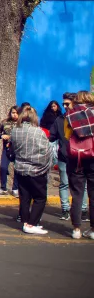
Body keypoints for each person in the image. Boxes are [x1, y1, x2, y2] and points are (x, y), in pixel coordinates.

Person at [10, 107, 53, 235]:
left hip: (21, 168)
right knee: (40, 198)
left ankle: (25, 222)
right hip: (36, 169)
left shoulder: (15, 131)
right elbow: (47, 151)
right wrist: (45, 166)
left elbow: (13, 149)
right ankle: (32, 223)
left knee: (24, 197)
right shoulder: (38, 132)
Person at [49, 92, 88, 222]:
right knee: (64, 183)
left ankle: (83, 210)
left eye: (67, 103)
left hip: (81, 157)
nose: (65, 106)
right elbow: (52, 136)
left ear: (74, 103)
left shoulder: (82, 118)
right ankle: (65, 209)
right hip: (64, 157)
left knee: (83, 185)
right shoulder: (60, 120)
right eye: (63, 104)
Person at [65, 91, 94, 240]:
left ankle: (76, 229)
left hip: (76, 157)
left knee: (77, 194)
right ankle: (93, 230)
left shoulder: (70, 114)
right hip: (93, 157)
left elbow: (66, 135)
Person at [0, 106, 20, 197]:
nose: (15, 114)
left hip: (18, 149)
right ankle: (3, 188)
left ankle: (15, 188)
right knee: (3, 167)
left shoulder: (22, 123)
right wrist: (2, 136)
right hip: (7, 149)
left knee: (17, 169)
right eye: (13, 112)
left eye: (17, 113)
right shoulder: (4, 122)